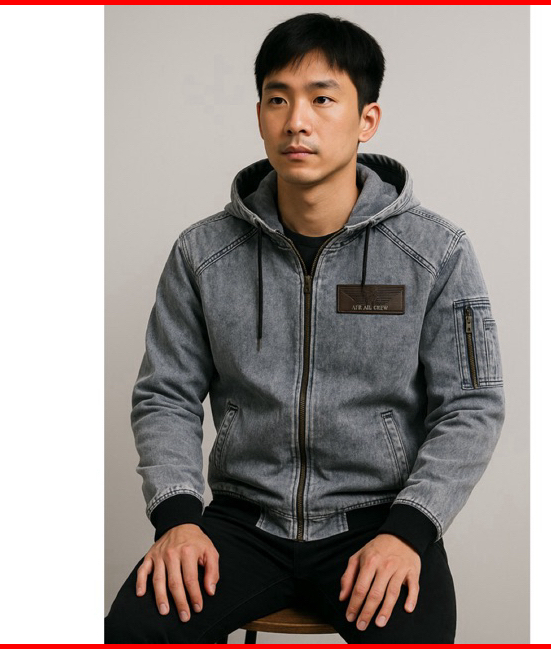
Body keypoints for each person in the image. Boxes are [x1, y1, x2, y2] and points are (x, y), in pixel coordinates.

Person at [105, 11, 505, 644]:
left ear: (366, 120)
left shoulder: (437, 252)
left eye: (322, 98)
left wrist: (410, 531)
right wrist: (177, 516)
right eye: (278, 99)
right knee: (134, 629)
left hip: (377, 525)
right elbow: (165, 394)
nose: (297, 120)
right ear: (260, 114)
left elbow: (472, 407)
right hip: (242, 524)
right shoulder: (203, 254)